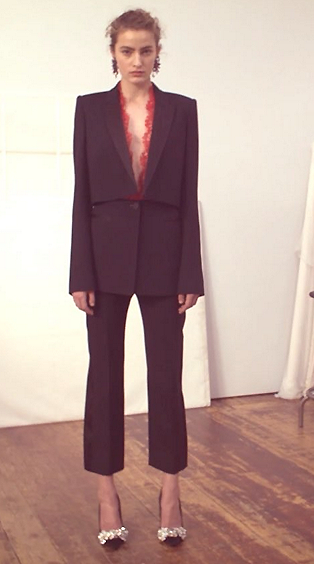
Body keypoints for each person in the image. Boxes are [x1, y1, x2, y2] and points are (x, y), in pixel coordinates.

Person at [69, 8, 204, 549]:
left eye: (146, 50)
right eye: (127, 50)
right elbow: (81, 193)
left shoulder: (183, 111)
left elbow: (189, 193)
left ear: (157, 53)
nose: (137, 60)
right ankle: (107, 495)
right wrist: (80, 271)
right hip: (103, 260)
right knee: (103, 378)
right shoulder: (88, 109)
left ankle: (170, 493)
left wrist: (190, 271)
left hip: (165, 260)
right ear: (113, 53)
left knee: (167, 377)